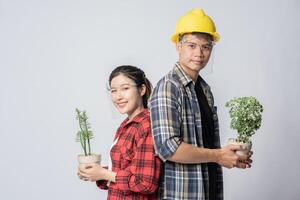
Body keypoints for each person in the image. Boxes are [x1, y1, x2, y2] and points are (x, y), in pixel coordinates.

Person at [149, 8, 252, 200]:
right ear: (178, 46)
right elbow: (167, 147)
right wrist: (218, 155)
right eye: (192, 45)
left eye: (206, 47)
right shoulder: (168, 87)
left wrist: (229, 155)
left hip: (208, 190)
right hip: (182, 194)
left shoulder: (204, 90)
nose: (199, 53)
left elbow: (204, 144)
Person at [78, 65, 161, 199]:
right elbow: (125, 171)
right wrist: (96, 173)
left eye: (125, 88)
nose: (118, 97)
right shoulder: (125, 126)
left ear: (142, 89)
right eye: (114, 91)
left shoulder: (146, 126)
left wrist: (104, 174)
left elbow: (145, 183)